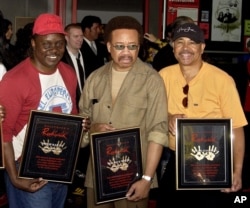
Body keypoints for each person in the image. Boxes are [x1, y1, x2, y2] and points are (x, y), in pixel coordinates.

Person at [0, 13, 90, 208]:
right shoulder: (14, 80)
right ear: (33, 43)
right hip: (25, 167)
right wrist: (15, 178)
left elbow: (71, 115)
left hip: (59, 165)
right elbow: (3, 134)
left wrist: (80, 124)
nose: (54, 50)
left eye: (58, 43)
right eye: (46, 43)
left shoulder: (68, 72)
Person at [79, 16, 168, 208]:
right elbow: (82, 120)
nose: (126, 52)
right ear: (109, 46)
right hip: (97, 176)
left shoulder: (152, 80)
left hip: (133, 178)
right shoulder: (95, 78)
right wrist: (91, 128)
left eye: (132, 46)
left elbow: (158, 132)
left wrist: (146, 178)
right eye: (120, 46)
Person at [157, 22, 247, 208]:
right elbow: (153, 114)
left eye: (192, 42)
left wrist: (237, 171)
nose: (185, 48)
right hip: (174, 161)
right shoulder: (163, 76)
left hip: (214, 165)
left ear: (202, 47)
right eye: (180, 42)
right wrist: (168, 117)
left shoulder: (222, 80)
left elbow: (236, 127)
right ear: (173, 46)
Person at [61, 22, 89, 206]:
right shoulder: (61, 59)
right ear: (66, 38)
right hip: (68, 110)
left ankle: (76, 184)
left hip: (83, 108)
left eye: (81, 36)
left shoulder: (84, 56)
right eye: (76, 36)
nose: (80, 40)